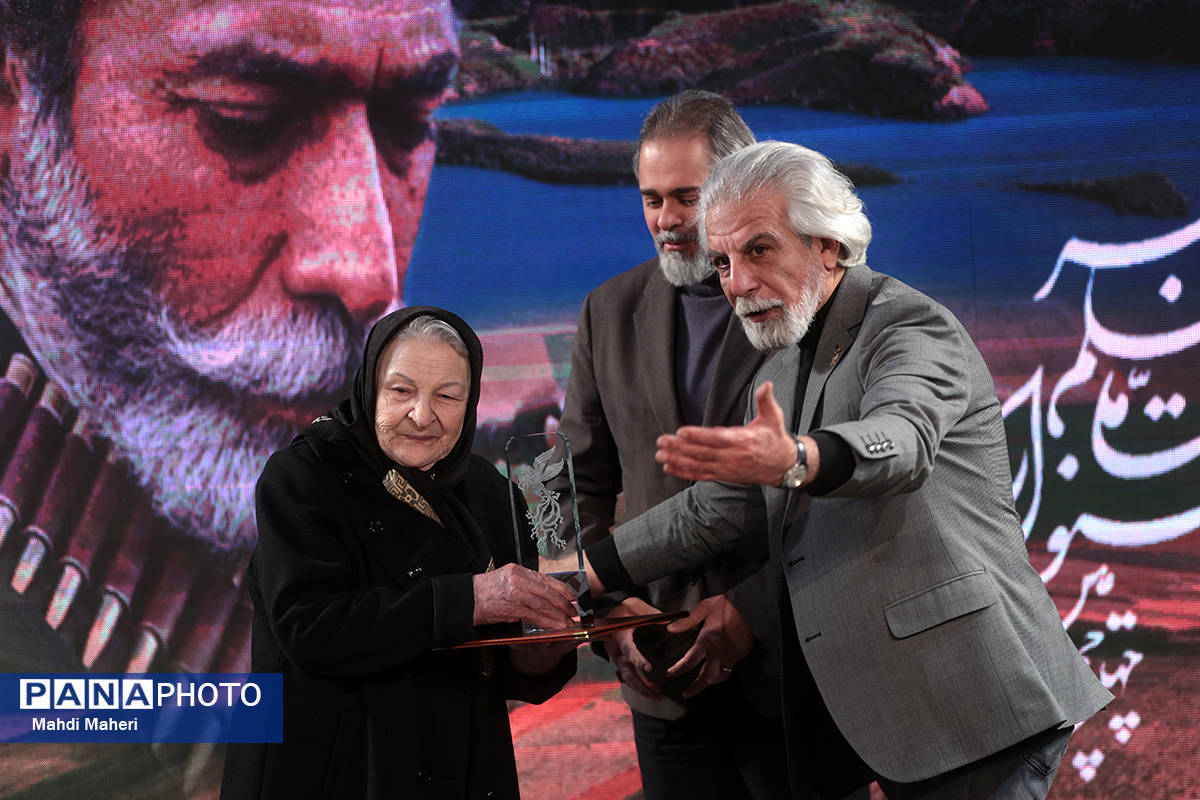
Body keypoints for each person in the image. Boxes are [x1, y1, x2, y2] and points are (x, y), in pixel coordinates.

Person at [581, 141, 1114, 799]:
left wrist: (798, 459)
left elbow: (903, 440)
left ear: (829, 244)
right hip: (896, 717)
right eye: (722, 262)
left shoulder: (909, 326)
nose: (737, 284)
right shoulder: (783, 362)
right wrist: (582, 577)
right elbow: (713, 508)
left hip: (975, 702)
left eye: (759, 250)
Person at [220, 307, 579, 799]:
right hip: (336, 769)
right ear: (371, 387)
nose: (422, 415)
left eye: (447, 396)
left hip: (463, 768)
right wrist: (470, 599)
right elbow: (309, 628)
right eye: (401, 391)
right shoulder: (306, 476)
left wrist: (536, 656)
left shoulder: (489, 491)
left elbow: (498, 663)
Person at [556, 90, 794, 799]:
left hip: (792, 678)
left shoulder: (806, 305)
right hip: (658, 677)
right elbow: (561, 484)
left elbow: (844, 501)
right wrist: (600, 609)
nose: (666, 219)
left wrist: (755, 611)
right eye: (652, 199)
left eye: (688, 197)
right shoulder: (606, 310)